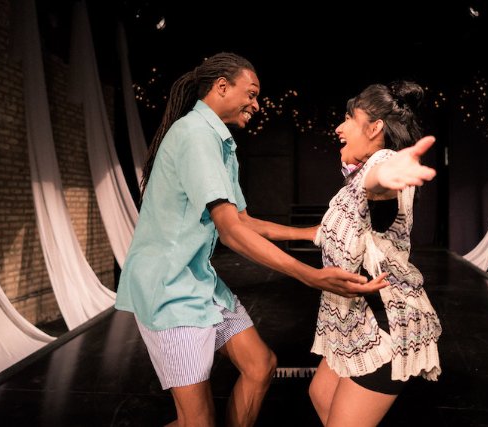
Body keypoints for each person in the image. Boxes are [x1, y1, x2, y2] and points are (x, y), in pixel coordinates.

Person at [114, 52, 390, 427]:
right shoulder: (196, 136)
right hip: (168, 290)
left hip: (199, 282)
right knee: (198, 421)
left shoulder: (219, 141)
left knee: (260, 366)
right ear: (221, 87)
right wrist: (310, 276)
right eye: (252, 94)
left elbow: (242, 220)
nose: (257, 105)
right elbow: (231, 231)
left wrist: (311, 233)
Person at [308, 81, 443, 427]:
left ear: (374, 128)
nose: (339, 128)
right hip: (358, 320)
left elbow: (378, 180)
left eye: (348, 119)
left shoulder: (380, 162)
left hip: (387, 325)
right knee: (320, 393)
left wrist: (389, 172)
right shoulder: (354, 182)